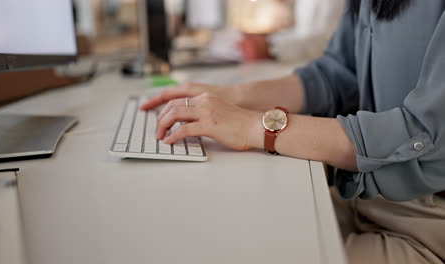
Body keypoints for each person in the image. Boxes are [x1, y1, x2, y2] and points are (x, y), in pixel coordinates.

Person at [141, 0, 445, 263]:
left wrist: (254, 126)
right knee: (217, 231)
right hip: (364, 201)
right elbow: (338, 74)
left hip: (427, 225)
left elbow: (425, 136)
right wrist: (230, 98)